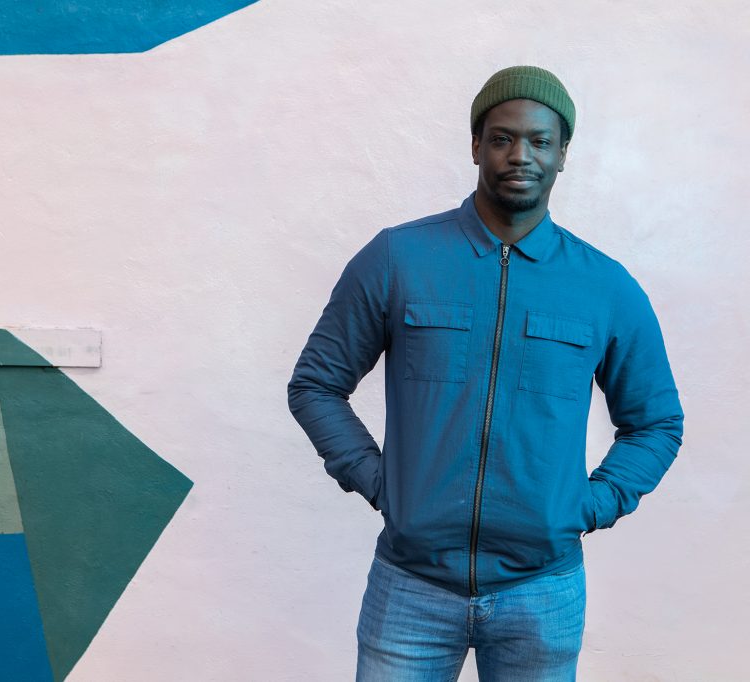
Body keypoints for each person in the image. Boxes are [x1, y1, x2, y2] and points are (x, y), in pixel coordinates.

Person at [287, 65, 683, 681]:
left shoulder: (604, 286)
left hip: (542, 593)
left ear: (562, 155)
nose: (519, 154)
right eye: (501, 138)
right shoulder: (399, 258)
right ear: (475, 145)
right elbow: (316, 383)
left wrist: (590, 503)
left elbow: (656, 422)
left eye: (539, 141)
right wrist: (379, 479)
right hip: (410, 589)